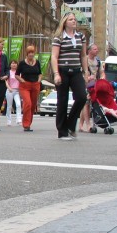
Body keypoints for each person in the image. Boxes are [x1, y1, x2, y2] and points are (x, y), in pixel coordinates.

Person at [50, 11, 88, 140]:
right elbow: (54, 57)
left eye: (74, 19)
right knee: (63, 101)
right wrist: (56, 74)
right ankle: (62, 131)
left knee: (82, 97)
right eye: (71, 19)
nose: (74, 21)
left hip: (76, 71)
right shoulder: (59, 38)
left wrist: (86, 72)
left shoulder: (80, 37)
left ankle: (71, 124)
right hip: (62, 70)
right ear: (65, 22)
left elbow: (83, 55)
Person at [15, 46, 42, 132]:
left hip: (35, 85)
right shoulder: (22, 63)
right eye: (29, 53)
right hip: (25, 86)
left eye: (32, 53)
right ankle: (26, 125)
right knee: (28, 103)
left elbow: (40, 73)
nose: (31, 54)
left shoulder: (37, 62)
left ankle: (29, 123)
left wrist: (39, 80)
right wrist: (21, 80)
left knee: (33, 105)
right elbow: (16, 74)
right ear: (27, 54)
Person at [79, 43, 102, 132]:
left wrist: (103, 77)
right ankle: (88, 124)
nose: (97, 50)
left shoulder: (98, 61)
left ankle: (81, 125)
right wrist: (87, 78)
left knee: (86, 104)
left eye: (97, 49)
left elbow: (101, 72)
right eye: (95, 49)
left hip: (94, 85)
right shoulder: (85, 60)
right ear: (89, 51)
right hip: (85, 84)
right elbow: (80, 72)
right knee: (87, 103)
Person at [5, 60, 22, 126]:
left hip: (17, 91)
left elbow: (20, 81)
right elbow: (6, 81)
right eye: (12, 63)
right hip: (10, 90)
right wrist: (9, 88)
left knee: (18, 104)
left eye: (15, 63)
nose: (14, 65)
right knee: (9, 106)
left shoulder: (19, 73)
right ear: (10, 65)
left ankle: (19, 120)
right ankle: (9, 121)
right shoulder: (8, 72)